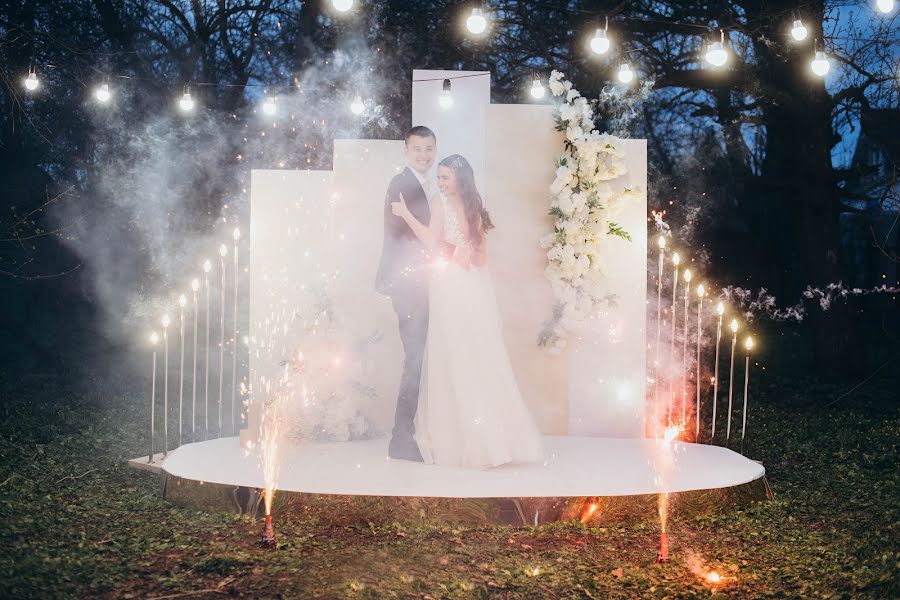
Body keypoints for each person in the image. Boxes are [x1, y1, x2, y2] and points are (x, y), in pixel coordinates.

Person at [390, 154, 544, 468]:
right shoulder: (475, 205)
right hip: (472, 285)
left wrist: (406, 214)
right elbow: (481, 260)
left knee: (457, 353)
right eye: (440, 177)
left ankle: (463, 439)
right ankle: (490, 440)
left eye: (445, 177)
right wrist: (463, 253)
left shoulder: (439, 201)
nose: (440, 182)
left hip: (450, 284)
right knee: (474, 353)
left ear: (459, 179)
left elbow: (431, 239)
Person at [375, 126, 441, 462]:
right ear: (406, 150)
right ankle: (401, 439)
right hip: (408, 284)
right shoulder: (402, 184)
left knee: (418, 359)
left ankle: (408, 433)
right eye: (418, 150)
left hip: (418, 283)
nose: (424, 155)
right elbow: (405, 239)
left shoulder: (424, 184)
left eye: (429, 149)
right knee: (414, 360)